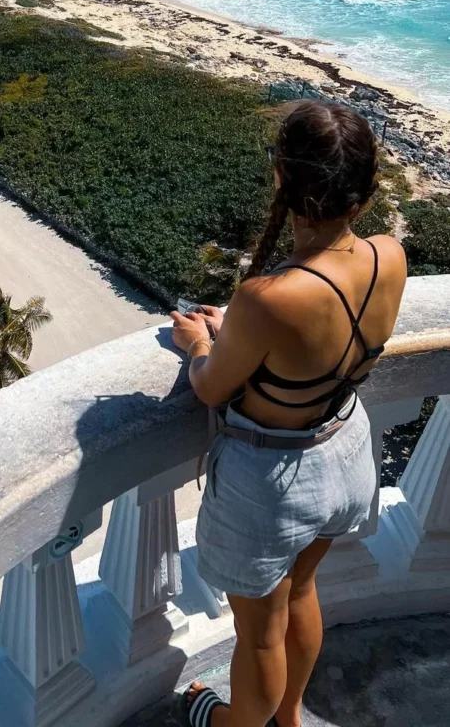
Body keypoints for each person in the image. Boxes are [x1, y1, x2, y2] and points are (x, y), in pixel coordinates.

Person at [170, 100, 407, 727]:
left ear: (282, 177)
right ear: (365, 189)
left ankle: (228, 724)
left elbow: (212, 387)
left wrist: (198, 342)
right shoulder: (390, 255)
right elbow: (317, 342)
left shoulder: (266, 298)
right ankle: (290, 717)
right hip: (346, 450)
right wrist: (245, 334)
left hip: (272, 483)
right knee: (303, 592)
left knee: (259, 636)